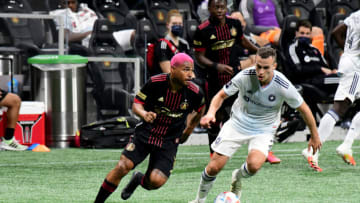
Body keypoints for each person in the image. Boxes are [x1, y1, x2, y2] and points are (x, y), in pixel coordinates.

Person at [189, 47, 322, 203]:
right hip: (237, 123)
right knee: (213, 168)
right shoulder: (245, 76)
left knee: (253, 166)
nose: (260, 71)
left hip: (264, 130)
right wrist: (211, 113)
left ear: (274, 66)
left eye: (266, 67)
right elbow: (221, 95)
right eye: (258, 66)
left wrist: (314, 135)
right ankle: (199, 200)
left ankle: (237, 177)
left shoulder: (283, 85)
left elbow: (304, 109)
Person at [94, 53, 206, 202]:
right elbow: (136, 104)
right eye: (186, 70)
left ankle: (138, 179)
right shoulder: (155, 82)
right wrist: (144, 113)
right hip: (146, 134)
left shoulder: (195, 92)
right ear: (172, 69)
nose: (191, 75)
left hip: (169, 141)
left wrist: (189, 129)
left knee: (155, 182)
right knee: (122, 166)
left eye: (192, 70)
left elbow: (201, 109)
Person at [193, 0, 258, 159]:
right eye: (216, 7)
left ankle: (259, 151)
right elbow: (199, 57)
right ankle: (213, 153)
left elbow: (243, 41)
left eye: (223, 7)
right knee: (216, 116)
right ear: (209, 8)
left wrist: (260, 51)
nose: (220, 10)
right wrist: (217, 66)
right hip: (214, 78)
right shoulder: (202, 30)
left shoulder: (234, 23)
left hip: (236, 76)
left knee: (245, 111)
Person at [302, 10, 360, 168]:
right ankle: (314, 149)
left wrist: (349, 52)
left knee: (342, 106)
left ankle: (346, 145)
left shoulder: (356, 14)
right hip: (356, 68)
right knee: (340, 107)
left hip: (349, 61)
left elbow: (336, 32)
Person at [286, 20, 339, 121]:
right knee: (344, 81)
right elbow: (298, 70)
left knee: (348, 78)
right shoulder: (293, 48)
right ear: (296, 33)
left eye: (307, 33)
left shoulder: (314, 49)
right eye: (302, 33)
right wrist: (320, 69)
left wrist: (332, 71)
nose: (304, 36)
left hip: (323, 80)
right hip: (309, 81)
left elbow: (325, 67)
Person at [240, 0, 325, 54]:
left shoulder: (273, 1)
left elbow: (282, 21)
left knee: (317, 31)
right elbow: (249, 27)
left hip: (278, 31)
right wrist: (272, 28)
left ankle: (317, 58)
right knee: (282, 35)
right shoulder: (247, 2)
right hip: (263, 34)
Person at [149, 9, 191, 76]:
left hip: (182, 79)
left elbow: (190, 68)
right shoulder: (163, 44)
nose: (177, 26)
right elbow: (168, 72)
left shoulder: (184, 44)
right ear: (168, 25)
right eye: (174, 23)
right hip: (165, 82)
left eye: (180, 24)